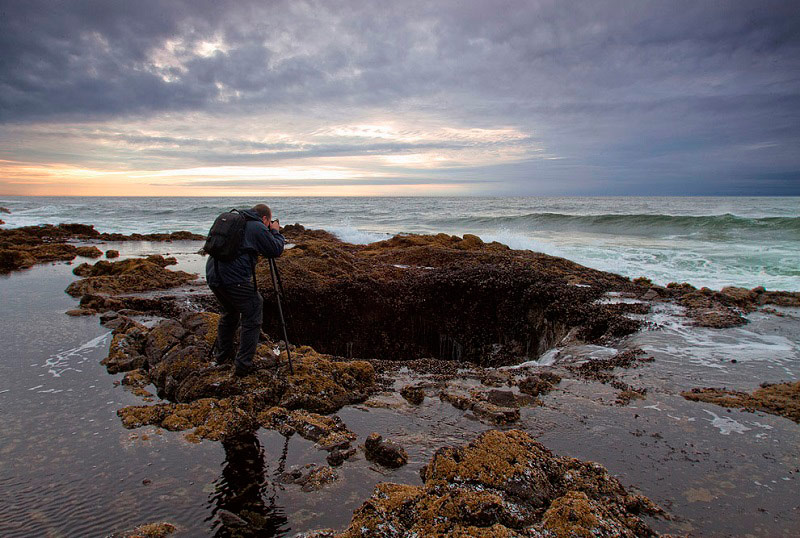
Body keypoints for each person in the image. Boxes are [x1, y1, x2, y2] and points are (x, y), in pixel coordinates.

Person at [206, 204, 285, 376]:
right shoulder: (256, 226)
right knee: (254, 308)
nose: (268, 224)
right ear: (265, 218)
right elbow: (275, 249)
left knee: (230, 311)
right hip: (233, 279)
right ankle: (243, 366)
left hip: (213, 275)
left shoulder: (234, 221)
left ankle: (222, 357)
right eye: (269, 222)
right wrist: (275, 231)